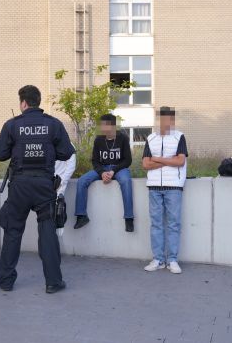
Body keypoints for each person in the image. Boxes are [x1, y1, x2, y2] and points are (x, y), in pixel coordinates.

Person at [0, 85, 75, 293]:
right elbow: (66, 153)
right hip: (44, 185)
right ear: (38, 101)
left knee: (13, 231)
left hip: (20, 185)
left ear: (23, 103)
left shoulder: (12, 125)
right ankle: (53, 282)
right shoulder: (53, 124)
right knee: (47, 232)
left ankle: (6, 281)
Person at [142, 107, 188, 274]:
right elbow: (145, 164)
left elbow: (180, 162)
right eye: (162, 118)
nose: (165, 122)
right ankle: (158, 259)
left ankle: (173, 260)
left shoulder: (179, 137)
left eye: (168, 118)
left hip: (174, 186)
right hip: (154, 186)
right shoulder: (151, 138)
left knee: (174, 224)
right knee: (156, 224)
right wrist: (169, 160)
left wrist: (157, 159)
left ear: (173, 120)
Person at [73, 114, 134, 232]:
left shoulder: (123, 138)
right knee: (82, 180)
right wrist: (101, 173)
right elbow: (95, 161)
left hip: (119, 168)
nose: (102, 128)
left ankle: (129, 218)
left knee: (126, 181)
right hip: (102, 168)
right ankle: (81, 216)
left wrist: (113, 171)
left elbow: (128, 160)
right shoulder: (99, 139)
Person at [54, 147, 76, 237]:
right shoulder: (46, 140)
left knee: (58, 218)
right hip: (45, 185)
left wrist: (61, 182)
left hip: (59, 188)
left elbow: (71, 166)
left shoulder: (68, 145)